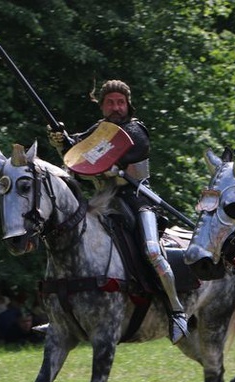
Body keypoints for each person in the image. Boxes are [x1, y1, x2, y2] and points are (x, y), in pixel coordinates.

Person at [48, 79, 188, 343]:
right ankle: (64, 313)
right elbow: (76, 155)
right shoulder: (100, 130)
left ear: (128, 104)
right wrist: (61, 142)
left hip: (138, 201)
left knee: (152, 251)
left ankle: (176, 310)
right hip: (104, 202)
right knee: (68, 240)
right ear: (102, 106)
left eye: (120, 102)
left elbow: (98, 155)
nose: (116, 107)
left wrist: (82, 151)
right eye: (111, 102)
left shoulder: (135, 132)